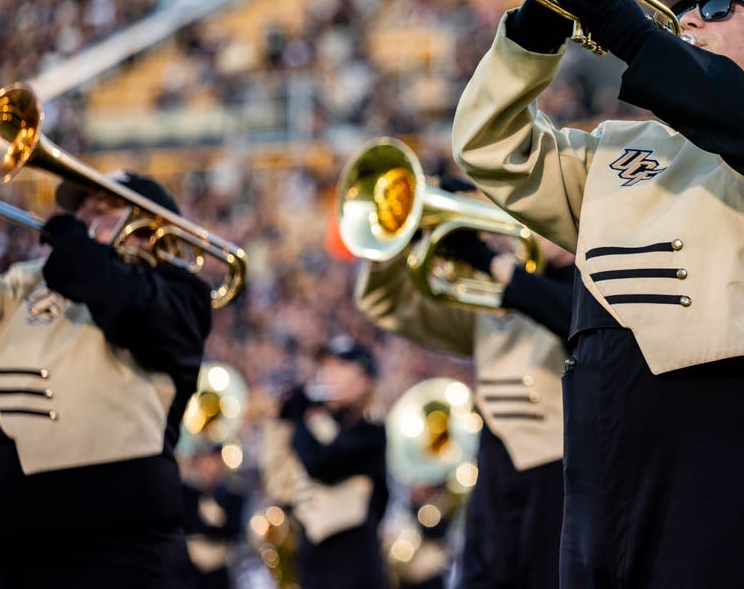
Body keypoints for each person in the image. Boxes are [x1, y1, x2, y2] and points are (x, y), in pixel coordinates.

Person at [452, 0, 744, 587]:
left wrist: (634, 36)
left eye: (714, 6)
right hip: (599, 437)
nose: (689, 20)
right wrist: (534, 33)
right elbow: (490, 147)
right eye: (682, 11)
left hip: (723, 434)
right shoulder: (617, 147)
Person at [0, 172, 213, 588]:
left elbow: (128, 304)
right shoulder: (27, 281)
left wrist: (79, 250)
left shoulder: (182, 292)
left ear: (153, 230)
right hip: (14, 553)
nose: (85, 215)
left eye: (106, 207)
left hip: (119, 556)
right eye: (81, 208)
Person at [354, 187, 575, 589]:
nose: (524, 224)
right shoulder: (493, 301)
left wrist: (488, 259)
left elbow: (566, 314)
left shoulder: (586, 284)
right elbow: (393, 309)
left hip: (556, 466)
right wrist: (401, 239)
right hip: (496, 459)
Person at [272, 336, 389, 589]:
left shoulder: (371, 430)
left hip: (354, 563)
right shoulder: (317, 421)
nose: (327, 375)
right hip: (311, 559)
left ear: (365, 381)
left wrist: (303, 419)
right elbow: (278, 483)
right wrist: (283, 419)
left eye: (340, 367)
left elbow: (322, 464)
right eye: (325, 367)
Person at [179, 443, 246, 589]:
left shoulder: (232, 495)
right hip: (192, 569)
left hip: (219, 568)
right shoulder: (188, 493)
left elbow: (233, 531)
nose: (209, 466)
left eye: (213, 460)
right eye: (205, 460)